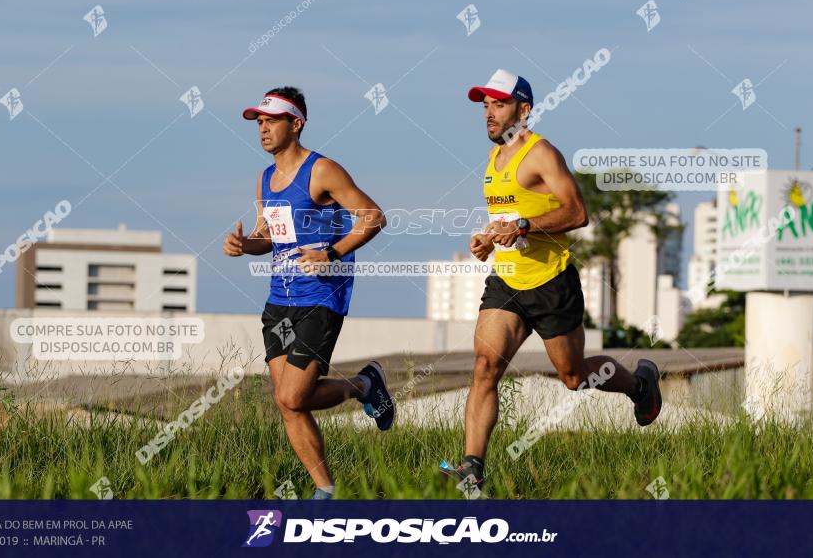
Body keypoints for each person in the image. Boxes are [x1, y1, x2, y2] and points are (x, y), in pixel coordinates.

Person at [443, 69, 662, 490]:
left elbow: (577, 213)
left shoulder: (542, 154)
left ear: (523, 110)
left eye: (498, 104)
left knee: (574, 376)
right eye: (485, 105)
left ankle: (639, 384)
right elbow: (507, 222)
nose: (488, 113)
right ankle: (472, 468)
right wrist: (489, 240)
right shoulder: (493, 160)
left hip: (551, 283)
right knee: (486, 366)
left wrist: (524, 225)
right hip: (507, 281)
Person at [224, 86, 395, 500]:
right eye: (259, 122)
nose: (263, 129)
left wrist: (331, 251)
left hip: (321, 297)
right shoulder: (266, 179)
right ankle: (326, 491)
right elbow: (273, 237)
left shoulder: (322, 171)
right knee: (289, 404)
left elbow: (374, 217)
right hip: (278, 301)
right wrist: (248, 246)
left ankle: (363, 386)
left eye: (271, 121)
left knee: (290, 395)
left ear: (296, 123)